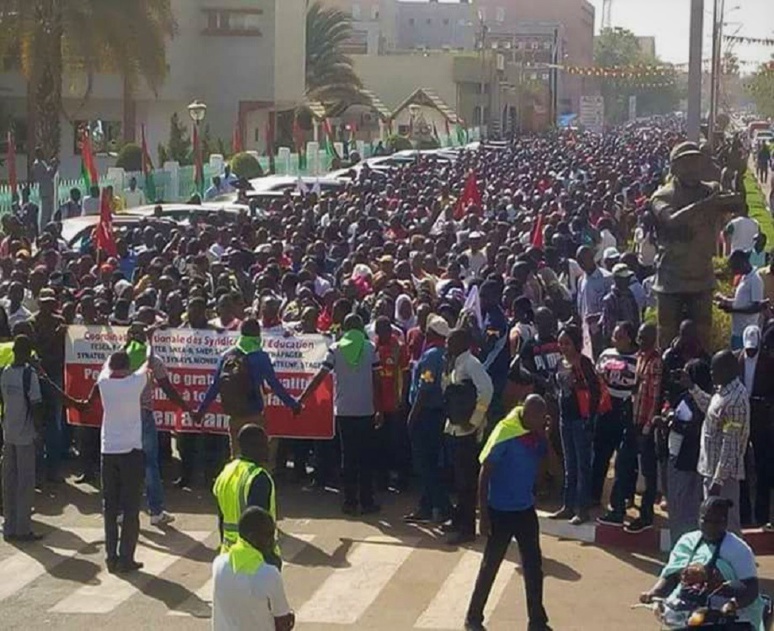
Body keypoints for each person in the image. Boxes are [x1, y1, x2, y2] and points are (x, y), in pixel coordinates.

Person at [465, 395, 552, 631]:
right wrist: (483, 514)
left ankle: (537, 622)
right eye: (539, 418)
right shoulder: (505, 433)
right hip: (500, 511)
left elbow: (550, 470)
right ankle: (473, 618)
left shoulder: (537, 436)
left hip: (525, 510)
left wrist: (545, 438)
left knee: (534, 568)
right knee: (490, 566)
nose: (541, 421)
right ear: (527, 414)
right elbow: (485, 473)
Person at [650, 141, 740, 349]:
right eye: (686, 163)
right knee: (667, 335)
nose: (692, 168)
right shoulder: (663, 196)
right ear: (674, 167)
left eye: (696, 161)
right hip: (671, 278)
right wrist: (705, 205)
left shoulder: (710, 190)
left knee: (702, 335)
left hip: (701, 277)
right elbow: (671, 220)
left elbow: (736, 203)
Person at [71, 350, 149, 573]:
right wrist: (150, 340)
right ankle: (126, 558)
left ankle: (110, 556)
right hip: (131, 452)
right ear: (128, 367)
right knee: (131, 508)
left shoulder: (104, 382)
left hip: (109, 451)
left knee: (110, 507)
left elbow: (106, 367)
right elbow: (149, 361)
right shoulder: (135, 382)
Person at [299, 314, 382, 516]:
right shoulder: (371, 348)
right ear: (361, 328)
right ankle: (367, 502)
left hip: (344, 411)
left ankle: (349, 502)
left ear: (344, 328)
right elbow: (377, 380)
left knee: (348, 457)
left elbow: (320, 376)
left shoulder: (335, 349)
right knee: (366, 458)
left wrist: (302, 398)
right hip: (366, 410)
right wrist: (379, 408)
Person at [640, 497, 765, 631]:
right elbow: (671, 575)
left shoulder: (738, 549)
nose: (709, 526)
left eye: (716, 522)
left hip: (731, 614)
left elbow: (751, 588)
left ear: (725, 522)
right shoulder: (687, 542)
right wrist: (654, 593)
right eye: (705, 520)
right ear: (699, 519)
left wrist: (732, 604)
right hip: (688, 609)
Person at [195, 318, 301, 460]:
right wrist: (293, 405)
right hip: (254, 413)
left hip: (234, 414)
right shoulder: (261, 357)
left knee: (237, 457)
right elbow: (275, 385)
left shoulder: (227, 355)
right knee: (257, 457)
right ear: (258, 334)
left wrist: (200, 411)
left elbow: (215, 386)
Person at [125, 320, 190, 527]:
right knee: (149, 464)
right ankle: (156, 511)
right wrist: (188, 409)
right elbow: (168, 389)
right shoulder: (153, 360)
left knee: (123, 463)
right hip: (143, 416)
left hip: (122, 417)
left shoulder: (118, 358)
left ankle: (121, 511)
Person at [683, 350, 750, 534]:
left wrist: (718, 481)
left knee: (727, 525)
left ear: (728, 370)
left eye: (715, 369)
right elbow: (711, 410)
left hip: (723, 477)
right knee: (713, 524)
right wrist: (692, 388)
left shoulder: (736, 400)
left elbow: (731, 445)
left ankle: (733, 553)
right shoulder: (724, 391)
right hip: (712, 470)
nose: (711, 373)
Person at [444, 327, 493, 545]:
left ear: (462, 343)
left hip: (467, 431)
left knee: (467, 482)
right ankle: (459, 520)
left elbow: (486, 390)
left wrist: (474, 419)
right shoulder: (455, 362)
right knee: (458, 479)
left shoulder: (471, 363)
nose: (447, 345)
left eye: (450, 341)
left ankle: (467, 529)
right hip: (454, 428)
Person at [212, 506, 294, 631]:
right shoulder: (269, 574)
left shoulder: (218, 564)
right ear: (252, 537)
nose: (272, 541)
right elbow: (282, 619)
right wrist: (290, 619)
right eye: (268, 535)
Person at [404, 314, 452, 524]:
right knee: (430, 462)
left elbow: (425, 386)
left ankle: (443, 506)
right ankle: (425, 506)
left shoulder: (432, 356)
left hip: (427, 414)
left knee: (425, 464)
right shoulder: (444, 354)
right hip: (437, 414)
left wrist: (413, 415)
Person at [550, 325, 599, 525]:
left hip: (581, 419)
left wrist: (590, 418)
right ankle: (567, 506)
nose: (563, 347)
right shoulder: (559, 363)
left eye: (567, 343)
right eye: (561, 343)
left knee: (582, 465)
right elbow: (555, 386)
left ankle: (582, 509)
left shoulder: (583, 363)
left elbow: (595, 391)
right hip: (565, 418)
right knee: (569, 464)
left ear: (576, 344)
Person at [213, 424, 281, 565]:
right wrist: (271, 559)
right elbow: (258, 525)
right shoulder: (258, 477)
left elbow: (221, 518)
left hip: (228, 555)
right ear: (253, 447)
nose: (268, 449)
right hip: (254, 560)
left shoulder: (226, 472)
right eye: (264, 444)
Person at [1, 335, 44, 542]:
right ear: (28, 353)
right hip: (25, 435)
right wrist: (39, 431)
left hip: (8, 433)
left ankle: (9, 526)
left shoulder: (5, 372)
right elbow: (36, 405)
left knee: (9, 481)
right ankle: (23, 529)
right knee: (25, 483)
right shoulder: (30, 375)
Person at [735, 325, 774, 528]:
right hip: (740, 418)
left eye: (754, 349)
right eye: (748, 348)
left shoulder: (769, 362)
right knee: (740, 467)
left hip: (761, 420)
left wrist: (765, 402)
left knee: (762, 467)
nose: (751, 352)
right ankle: (743, 515)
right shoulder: (735, 359)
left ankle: (762, 515)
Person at [715, 249, 766, 350]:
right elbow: (741, 302)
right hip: (737, 330)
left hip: (747, 333)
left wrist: (733, 310)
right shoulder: (744, 278)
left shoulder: (755, 280)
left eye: (735, 266)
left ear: (743, 262)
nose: (734, 270)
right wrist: (725, 301)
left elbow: (756, 307)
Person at [576, 245, 612, 359]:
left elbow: (612, 306)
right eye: (579, 261)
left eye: (584, 260)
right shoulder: (581, 280)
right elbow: (580, 306)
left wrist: (598, 317)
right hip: (586, 331)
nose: (581, 264)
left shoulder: (607, 278)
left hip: (602, 330)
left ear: (592, 257)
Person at [600, 263, 641, 344]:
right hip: (618, 342)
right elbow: (608, 329)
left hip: (632, 341)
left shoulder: (630, 296)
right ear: (616, 279)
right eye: (624, 278)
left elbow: (636, 318)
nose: (627, 280)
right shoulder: (609, 300)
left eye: (628, 278)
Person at [31, 147, 57, 230]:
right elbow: (46, 175)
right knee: (44, 214)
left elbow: (50, 174)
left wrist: (53, 166)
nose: (42, 154)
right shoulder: (37, 164)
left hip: (49, 191)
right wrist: (52, 165)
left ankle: (48, 229)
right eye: (40, 153)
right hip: (45, 191)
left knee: (49, 213)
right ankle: (42, 230)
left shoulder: (42, 163)